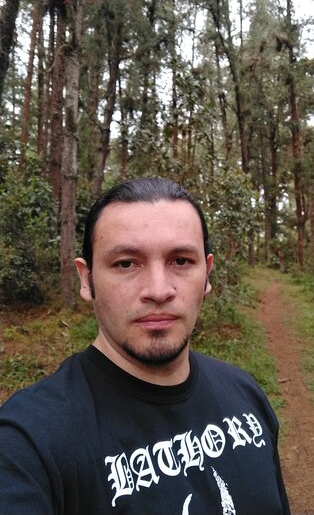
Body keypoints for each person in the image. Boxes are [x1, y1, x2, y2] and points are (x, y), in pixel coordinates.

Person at [0, 177, 291, 515]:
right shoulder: (27, 444)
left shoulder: (246, 395)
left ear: (207, 275)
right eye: (126, 263)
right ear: (87, 279)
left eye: (181, 261)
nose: (158, 290)